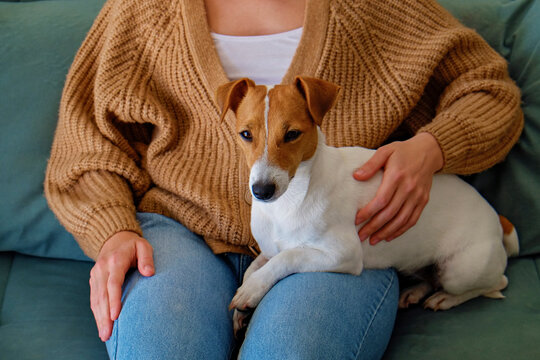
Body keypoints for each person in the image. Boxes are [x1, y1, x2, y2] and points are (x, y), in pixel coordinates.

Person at [45, 0, 523, 358]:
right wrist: (113, 229)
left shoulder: (376, 8)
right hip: (180, 232)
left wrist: (431, 149)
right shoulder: (144, 10)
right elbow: (86, 144)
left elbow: (489, 93)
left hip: (333, 233)